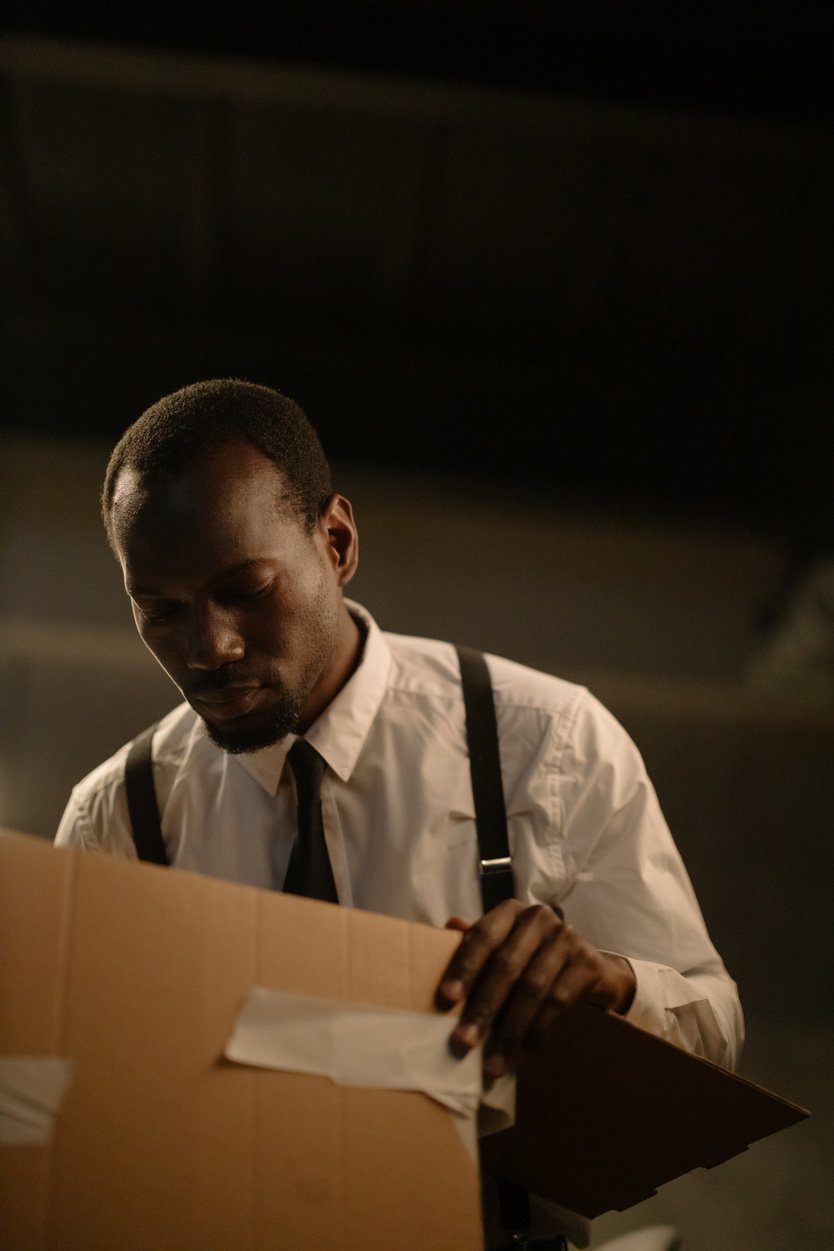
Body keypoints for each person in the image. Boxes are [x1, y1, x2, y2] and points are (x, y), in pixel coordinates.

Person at [55, 378, 743, 1248]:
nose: (209, 646)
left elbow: (713, 1033)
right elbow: (75, 1120)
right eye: (160, 610)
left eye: (246, 588)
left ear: (335, 540)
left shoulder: (548, 745)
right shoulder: (116, 820)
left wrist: (611, 986)